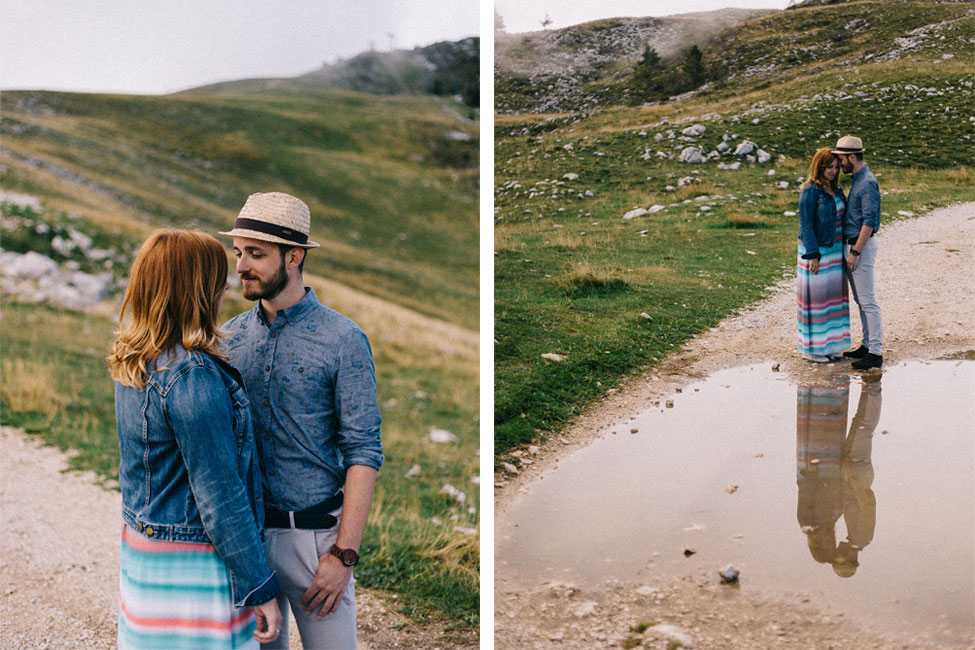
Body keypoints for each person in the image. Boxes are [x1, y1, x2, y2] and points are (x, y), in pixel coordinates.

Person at [219, 192, 384, 649]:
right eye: (239, 253)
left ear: (294, 257)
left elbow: (363, 450)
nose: (242, 266)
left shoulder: (343, 339)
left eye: (256, 254)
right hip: (249, 544)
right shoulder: (229, 337)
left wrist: (343, 555)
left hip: (317, 544)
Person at [109, 230, 283, 649]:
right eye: (216, 277)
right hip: (193, 572)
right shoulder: (192, 377)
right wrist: (260, 587)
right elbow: (220, 496)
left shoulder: (136, 359)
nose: (226, 285)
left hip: (145, 560)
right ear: (196, 289)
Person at [834, 135, 884, 370]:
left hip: (859, 247)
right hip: (854, 246)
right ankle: (866, 344)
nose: (839, 164)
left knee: (868, 301)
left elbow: (870, 222)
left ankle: (875, 352)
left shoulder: (868, 182)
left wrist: (855, 251)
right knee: (860, 300)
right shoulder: (859, 179)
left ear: (851, 157)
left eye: (841, 159)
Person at [796, 147, 851, 362]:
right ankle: (813, 349)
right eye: (829, 167)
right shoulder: (810, 191)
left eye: (836, 167)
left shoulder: (836, 190)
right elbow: (806, 225)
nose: (833, 171)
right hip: (817, 250)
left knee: (833, 299)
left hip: (835, 251)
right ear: (819, 167)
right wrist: (813, 255)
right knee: (817, 300)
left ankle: (832, 345)